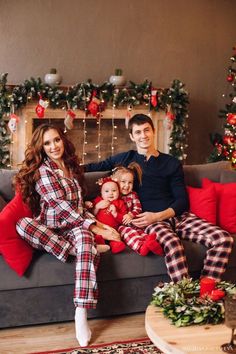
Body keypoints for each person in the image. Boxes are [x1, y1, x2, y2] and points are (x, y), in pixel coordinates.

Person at [86, 114, 234, 282]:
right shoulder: (125, 158)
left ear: (153, 131)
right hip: (151, 222)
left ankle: (205, 293)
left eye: (147, 130)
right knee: (172, 244)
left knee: (223, 239)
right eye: (138, 132)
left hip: (177, 216)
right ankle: (183, 298)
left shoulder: (171, 163)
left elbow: (182, 201)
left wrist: (158, 215)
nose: (143, 135)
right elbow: (93, 167)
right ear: (132, 136)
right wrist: (59, 166)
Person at [14, 123, 120, 347]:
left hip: (75, 226)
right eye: (47, 143)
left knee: (83, 236)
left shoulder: (72, 166)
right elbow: (59, 205)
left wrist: (94, 222)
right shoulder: (43, 171)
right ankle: (81, 250)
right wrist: (97, 228)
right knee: (23, 225)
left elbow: (79, 207)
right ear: (41, 148)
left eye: (57, 140)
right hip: (50, 228)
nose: (54, 146)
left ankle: (80, 312)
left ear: (63, 140)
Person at [111, 163, 163, 256]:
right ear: (116, 182)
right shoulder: (114, 195)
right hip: (122, 225)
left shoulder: (133, 195)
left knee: (142, 231)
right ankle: (141, 247)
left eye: (130, 182)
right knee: (128, 234)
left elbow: (138, 208)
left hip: (134, 222)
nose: (127, 185)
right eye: (123, 182)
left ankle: (151, 243)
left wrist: (131, 214)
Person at [86, 177, 127, 253]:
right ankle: (99, 243)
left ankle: (115, 245)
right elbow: (91, 215)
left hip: (114, 229)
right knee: (94, 236)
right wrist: (96, 207)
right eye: (107, 191)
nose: (111, 193)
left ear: (119, 192)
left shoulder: (120, 203)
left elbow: (123, 220)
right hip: (100, 228)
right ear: (101, 193)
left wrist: (115, 213)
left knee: (115, 238)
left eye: (114, 190)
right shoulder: (98, 200)